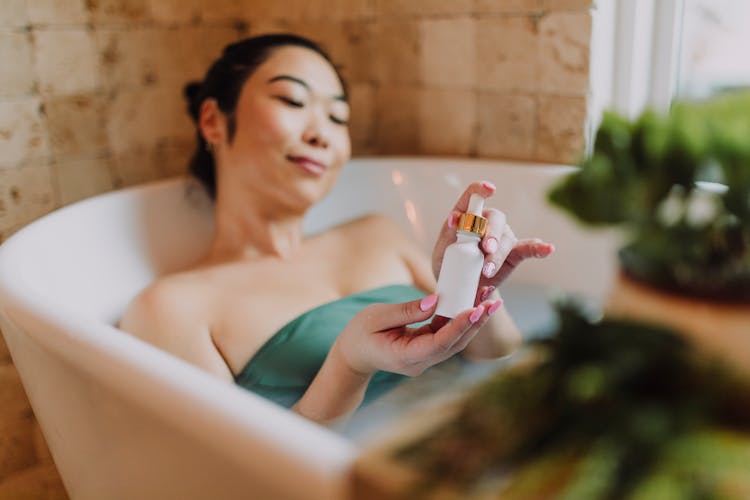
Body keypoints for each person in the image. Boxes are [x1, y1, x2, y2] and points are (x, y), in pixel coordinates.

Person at [119, 34, 554, 425]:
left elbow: (497, 359)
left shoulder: (376, 235)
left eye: (338, 117)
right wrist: (349, 364)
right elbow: (235, 480)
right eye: (292, 100)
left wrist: (476, 288)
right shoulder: (171, 309)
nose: (322, 134)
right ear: (213, 120)